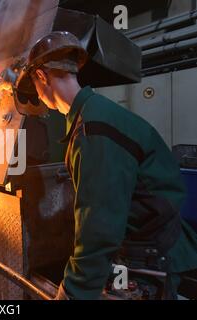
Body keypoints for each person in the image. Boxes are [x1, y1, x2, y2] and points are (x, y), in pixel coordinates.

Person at [16, 31, 197, 299]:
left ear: (42, 76)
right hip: (151, 244)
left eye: (36, 89)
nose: (39, 98)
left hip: (150, 254)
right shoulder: (93, 114)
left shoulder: (93, 130)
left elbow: (98, 228)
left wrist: (74, 291)